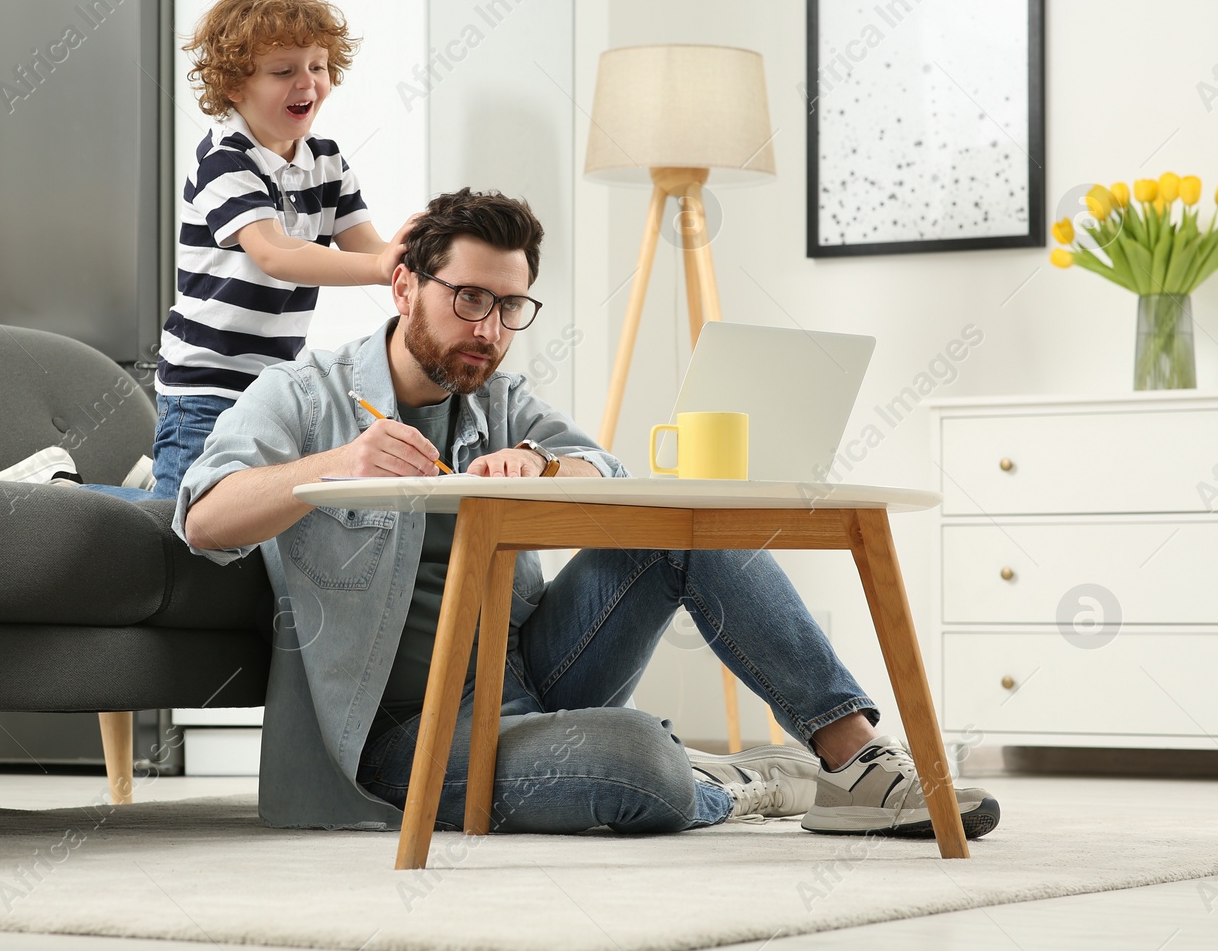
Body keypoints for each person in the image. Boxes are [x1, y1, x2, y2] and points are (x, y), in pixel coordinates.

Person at [174, 188, 1001, 839]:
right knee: (643, 767)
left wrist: (536, 460)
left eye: (510, 308)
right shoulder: (303, 393)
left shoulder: (497, 396)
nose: (490, 329)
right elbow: (204, 517)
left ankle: (855, 761)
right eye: (468, 299)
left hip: (532, 671)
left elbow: (604, 468)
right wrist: (336, 466)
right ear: (402, 285)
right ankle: (730, 781)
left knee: (687, 526)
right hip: (398, 737)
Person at [98, 0, 412, 501]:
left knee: (248, 518)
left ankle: (150, 483)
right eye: (283, 71)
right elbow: (273, 253)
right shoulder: (225, 158)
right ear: (234, 87)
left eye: (317, 66)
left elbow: (368, 247)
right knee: (185, 523)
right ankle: (59, 495)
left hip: (273, 382)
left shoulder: (326, 159)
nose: (306, 83)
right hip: (205, 379)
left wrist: (419, 259)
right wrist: (383, 270)